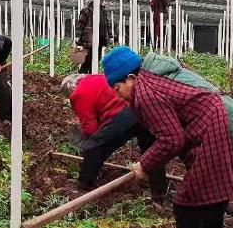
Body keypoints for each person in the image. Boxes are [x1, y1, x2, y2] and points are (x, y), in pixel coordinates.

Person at [103, 46, 233, 228]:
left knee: (187, 203)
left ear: (130, 78)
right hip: (225, 118)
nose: (119, 96)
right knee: (214, 196)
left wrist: (144, 164)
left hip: (216, 127)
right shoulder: (154, 75)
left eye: (117, 89)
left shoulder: (145, 91)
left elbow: (172, 139)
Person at [61, 73, 169, 204]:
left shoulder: (78, 94)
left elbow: (90, 126)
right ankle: (159, 195)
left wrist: (95, 141)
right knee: (151, 152)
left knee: (93, 146)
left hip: (123, 114)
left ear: (69, 90)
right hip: (140, 108)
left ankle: (84, 186)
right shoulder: (98, 77)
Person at [75, 0, 113, 74]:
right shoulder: (86, 11)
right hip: (89, 38)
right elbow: (80, 24)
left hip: (100, 38)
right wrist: (77, 36)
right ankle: (82, 75)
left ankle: (92, 75)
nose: (101, 1)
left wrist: (110, 36)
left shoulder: (103, 11)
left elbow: (107, 24)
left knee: (97, 58)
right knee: (88, 58)